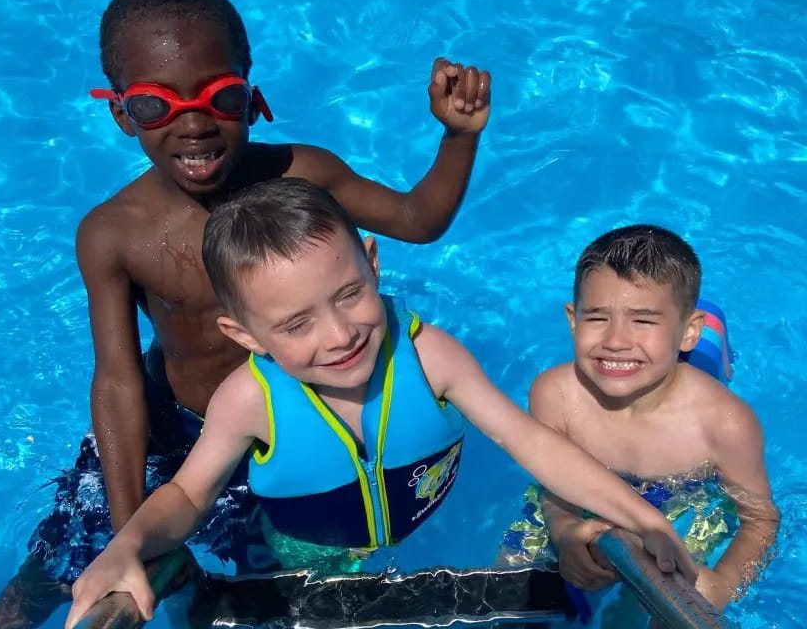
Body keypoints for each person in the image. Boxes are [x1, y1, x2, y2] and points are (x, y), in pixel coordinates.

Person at [0, 0, 493, 629]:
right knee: (61, 570)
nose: (192, 124)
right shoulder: (114, 233)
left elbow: (417, 220)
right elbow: (115, 384)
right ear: (119, 113)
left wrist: (459, 136)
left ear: (253, 98)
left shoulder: (303, 175)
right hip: (175, 432)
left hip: (284, 429)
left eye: (219, 97)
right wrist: (129, 526)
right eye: (153, 106)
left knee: (277, 595)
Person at [62, 179, 699, 628]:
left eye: (348, 295)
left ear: (372, 263)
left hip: (429, 525)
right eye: (295, 325)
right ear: (245, 336)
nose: (338, 335)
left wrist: (640, 518)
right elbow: (188, 496)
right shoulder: (248, 400)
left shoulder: (430, 358)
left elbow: (531, 442)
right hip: (308, 557)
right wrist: (126, 545)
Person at [498, 224, 779, 624]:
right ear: (573, 320)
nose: (616, 341)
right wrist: (563, 531)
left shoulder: (724, 424)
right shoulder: (554, 395)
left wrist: (723, 584)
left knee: (641, 617)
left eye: (643, 321)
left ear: (688, 333)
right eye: (597, 318)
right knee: (508, 597)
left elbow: (760, 519)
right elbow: (553, 483)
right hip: (576, 497)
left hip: (684, 502)